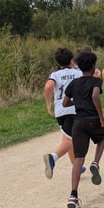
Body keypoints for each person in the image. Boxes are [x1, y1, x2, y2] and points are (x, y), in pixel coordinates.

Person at [63, 51, 104, 208]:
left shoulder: (74, 83)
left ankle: (73, 196)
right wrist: (102, 118)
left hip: (78, 123)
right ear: (93, 66)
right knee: (102, 139)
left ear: (80, 67)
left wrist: (79, 101)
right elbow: (96, 96)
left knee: (78, 160)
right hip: (93, 120)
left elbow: (65, 102)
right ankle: (95, 163)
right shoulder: (96, 81)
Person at [43, 47, 86, 179]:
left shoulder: (55, 75)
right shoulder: (78, 73)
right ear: (71, 60)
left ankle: (76, 166)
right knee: (69, 140)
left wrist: (49, 104)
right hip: (73, 110)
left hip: (60, 112)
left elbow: (49, 86)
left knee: (67, 137)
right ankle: (52, 158)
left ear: (58, 63)